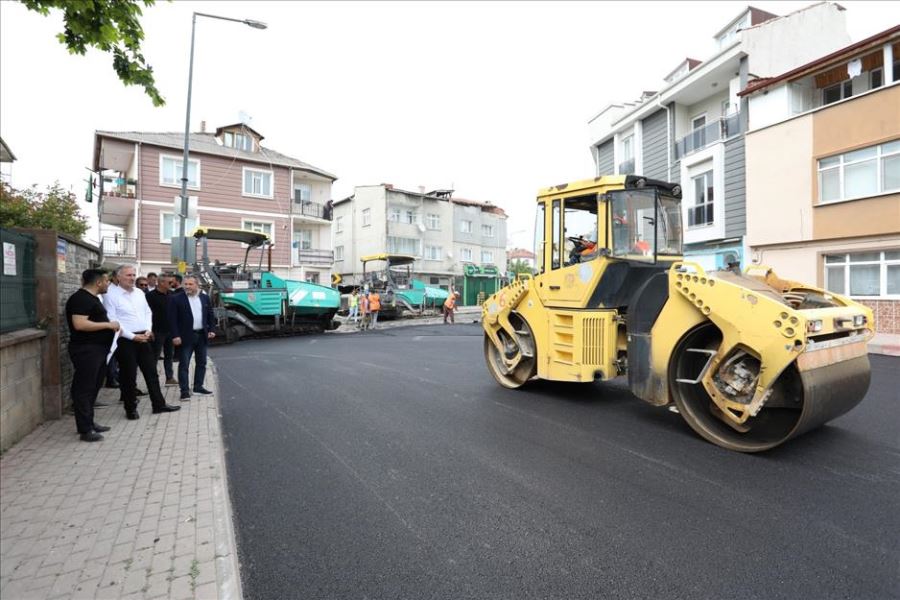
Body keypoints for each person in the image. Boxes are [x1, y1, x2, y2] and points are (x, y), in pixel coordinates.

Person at [104, 264, 181, 419]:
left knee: (151, 372)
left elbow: (147, 312)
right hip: (125, 339)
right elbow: (113, 320)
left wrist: (147, 329)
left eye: (133, 275)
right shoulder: (110, 295)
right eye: (128, 275)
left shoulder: (139, 293)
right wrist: (133, 336)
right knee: (129, 375)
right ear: (118, 277)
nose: (132, 278)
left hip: (144, 336)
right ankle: (130, 408)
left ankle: (159, 404)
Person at [65, 269, 120, 442]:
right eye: (106, 281)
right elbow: (79, 324)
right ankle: (85, 429)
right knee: (84, 388)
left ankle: (89, 422)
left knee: (94, 386)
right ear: (98, 282)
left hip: (97, 349)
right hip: (87, 350)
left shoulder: (92, 298)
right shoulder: (80, 298)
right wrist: (108, 325)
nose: (108, 284)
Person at [168, 275, 216, 400]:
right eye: (186, 284)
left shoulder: (204, 298)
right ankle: (184, 391)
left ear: (197, 285)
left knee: (202, 363)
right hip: (185, 337)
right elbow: (172, 320)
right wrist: (175, 335)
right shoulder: (176, 299)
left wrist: (211, 329)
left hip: (201, 335)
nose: (187, 287)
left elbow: (210, 315)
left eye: (190, 284)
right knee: (184, 364)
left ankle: (198, 387)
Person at [146, 273, 177, 386]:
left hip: (170, 330)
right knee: (154, 356)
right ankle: (152, 380)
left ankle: (169, 378)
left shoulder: (172, 295)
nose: (172, 284)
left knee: (169, 355)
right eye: (169, 282)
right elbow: (146, 314)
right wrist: (149, 330)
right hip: (156, 330)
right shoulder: (150, 296)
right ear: (161, 282)